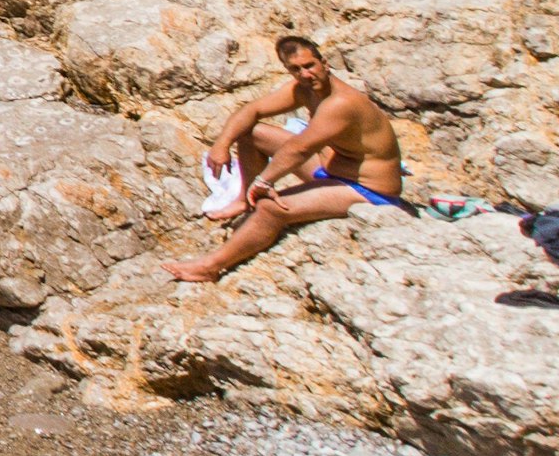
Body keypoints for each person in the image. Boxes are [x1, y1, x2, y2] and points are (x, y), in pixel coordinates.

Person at [169, 34, 404, 280]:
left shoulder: (341, 102)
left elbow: (300, 149)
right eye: (296, 69)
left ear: (324, 63)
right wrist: (221, 144)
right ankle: (243, 200)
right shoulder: (304, 90)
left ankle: (211, 267)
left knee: (271, 208)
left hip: (368, 190)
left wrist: (264, 181)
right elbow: (252, 110)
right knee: (251, 134)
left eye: (309, 66)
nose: (305, 74)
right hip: (331, 170)